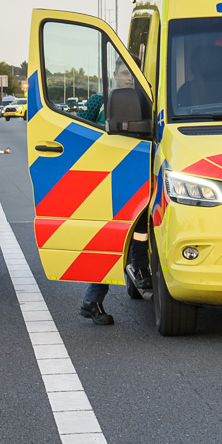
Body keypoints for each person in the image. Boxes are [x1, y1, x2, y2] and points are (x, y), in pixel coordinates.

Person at [78, 58, 139, 325]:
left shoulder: (145, 99)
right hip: (104, 181)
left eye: (133, 74)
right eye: (125, 73)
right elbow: (77, 132)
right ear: (114, 74)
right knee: (109, 240)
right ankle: (93, 301)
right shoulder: (99, 101)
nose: (128, 78)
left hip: (135, 178)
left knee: (139, 235)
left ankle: (138, 280)